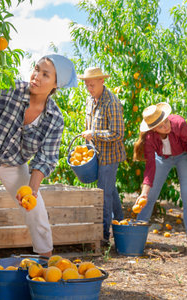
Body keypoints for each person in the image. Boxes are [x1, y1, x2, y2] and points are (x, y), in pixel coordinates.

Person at [0, 54, 78, 264]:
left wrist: (32, 189)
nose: (36, 76)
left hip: (13, 161)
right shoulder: (11, 88)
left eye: (45, 75)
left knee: (36, 209)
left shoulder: (54, 118)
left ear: (55, 84)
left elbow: (46, 158)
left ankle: (46, 262)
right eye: (36, 69)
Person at [133, 102, 187, 258]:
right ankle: (136, 238)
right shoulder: (150, 138)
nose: (166, 126)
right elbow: (150, 167)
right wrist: (144, 192)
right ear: (153, 129)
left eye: (166, 121)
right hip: (162, 159)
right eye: (161, 126)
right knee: (149, 196)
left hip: (183, 156)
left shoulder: (179, 123)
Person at [78, 67, 126, 246]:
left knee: (103, 194)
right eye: (86, 85)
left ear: (102, 82)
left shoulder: (111, 102)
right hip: (96, 154)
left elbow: (117, 134)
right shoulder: (90, 100)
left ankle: (104, 236)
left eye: (92, 85)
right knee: (110, 190)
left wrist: (94, 133)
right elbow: (88, 124)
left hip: (109, 157)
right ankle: (120, 225)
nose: (89, 88)